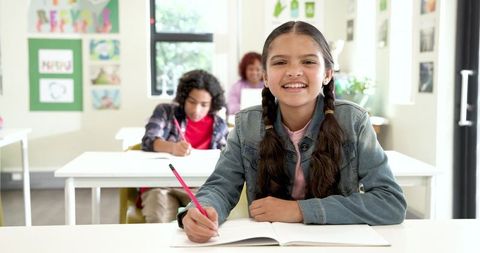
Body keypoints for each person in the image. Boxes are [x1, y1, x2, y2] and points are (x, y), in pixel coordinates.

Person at [177, 21, 407, 243]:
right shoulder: (247, 125)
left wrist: (299, 211)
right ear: (265, 76)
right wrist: (200, 211)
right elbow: (220, 186)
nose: (294, 72)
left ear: (327, 73)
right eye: (280, 63)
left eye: (308, 61)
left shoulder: (354, 121)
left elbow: (390, 202)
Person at [140, 69, 229, 223]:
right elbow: (148, 140)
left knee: (206, 222)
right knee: (159, 221)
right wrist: (172, 147)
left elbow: (227, 158)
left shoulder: (219, 125)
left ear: (213, 104)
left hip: (201, 187)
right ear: (183, 98)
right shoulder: (166, 112)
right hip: (162, 184)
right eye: (192, 102)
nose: (196, 110)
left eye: (204, 104)